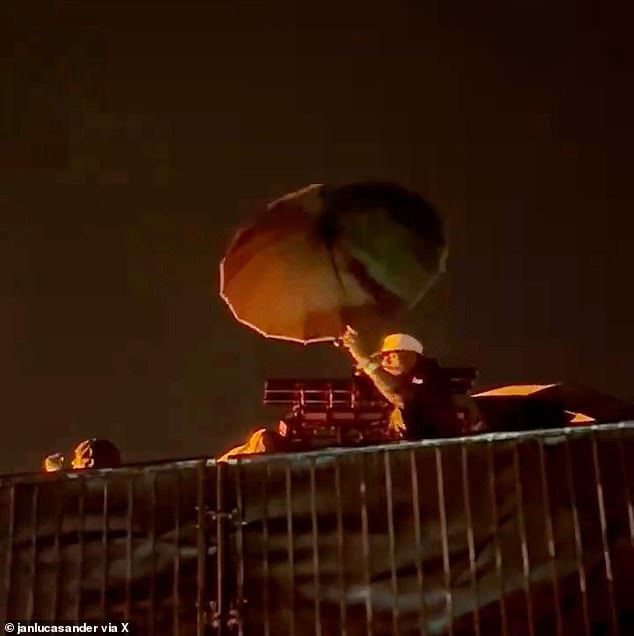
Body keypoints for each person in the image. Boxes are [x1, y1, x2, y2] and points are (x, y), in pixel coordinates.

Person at [339, 326, 483, 440]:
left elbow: (401, 396)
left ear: (410, 356)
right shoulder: (408, 377)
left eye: (392, 355)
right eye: (383, 356)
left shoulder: (428, 378)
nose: (385, 360)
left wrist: (366, 362)